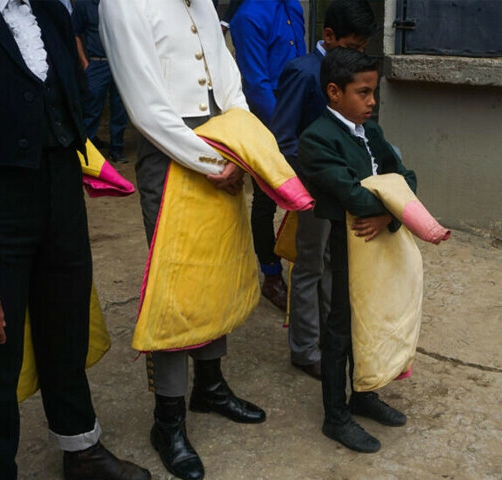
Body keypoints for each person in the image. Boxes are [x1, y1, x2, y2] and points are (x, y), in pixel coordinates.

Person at [0, 2, 150, 479]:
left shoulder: (50, 8)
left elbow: (71, 96)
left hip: (61, 192)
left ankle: (82, 449)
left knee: (67, 329)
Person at [99, 2, 266, 480]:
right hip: (171, 153)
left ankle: (210, 386)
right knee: (175, 285)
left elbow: (228, 76)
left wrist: (238, 143)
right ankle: (167, 420)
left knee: (218, 267)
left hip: (221, 147)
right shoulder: (124, 4)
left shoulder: (203, 3)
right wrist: (213, 164)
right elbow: (146, 108)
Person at [297, 48, 414, 453]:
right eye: (363, 93)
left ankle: (363, 393)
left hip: (377, 239)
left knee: (374, 321)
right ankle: (335, 415)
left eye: (373, 92)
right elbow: (353, 196)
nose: (372, 101)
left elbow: (408, 178)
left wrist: (387, 217)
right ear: (334, 92)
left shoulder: (372, 131)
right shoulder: (316, 139)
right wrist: (390, 206)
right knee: (341, 327)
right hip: (346, 244)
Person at [270, 0, 377, 380]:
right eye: (352, 46)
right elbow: (283, 139)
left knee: (336, 263)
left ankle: (333, 336)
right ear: (328, 36)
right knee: (309, 265)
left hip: (342, 187)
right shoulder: (302, 72)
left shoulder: (348, 73)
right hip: (313, 189)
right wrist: (314, 179)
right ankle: (303, 348)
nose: (357, 54)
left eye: (362, 49)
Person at [229, 0, 306, 310]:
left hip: (302, 117)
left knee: (306, 198)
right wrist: (284, 132)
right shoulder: (247, 16)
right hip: (269, 121)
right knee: (266, 201)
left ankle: (304, 269)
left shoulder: (294, 7)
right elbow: (257, 84)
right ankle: (271, 275)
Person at [72, 0, 129, 163]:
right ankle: (85, 151)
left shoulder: (122, 4)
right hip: (97, 64)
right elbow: (74, 33)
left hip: (121, 64)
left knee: (121, 109)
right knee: (91, 108)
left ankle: (117, 149)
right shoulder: (84, 5)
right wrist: (85, 63)